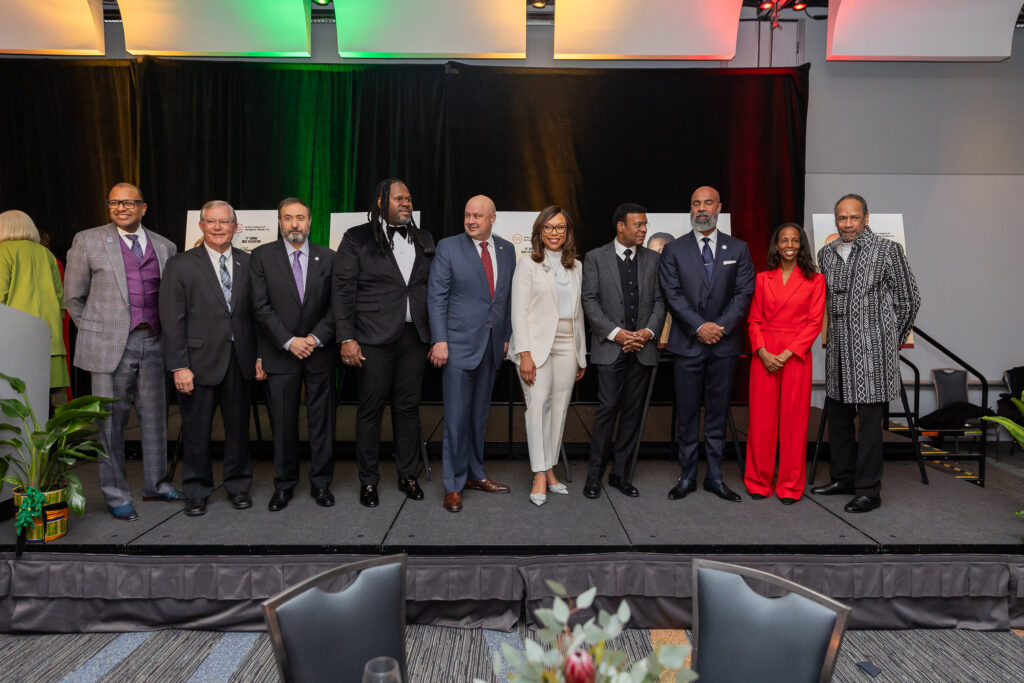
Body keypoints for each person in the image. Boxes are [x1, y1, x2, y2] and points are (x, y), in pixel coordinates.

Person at [65, 183, 183, 521]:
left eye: (129, 203)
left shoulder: (165, 246)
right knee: (109, 424)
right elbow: (73, 296)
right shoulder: (87, 240)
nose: (122, 208)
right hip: (108, 345)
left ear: (143, 208)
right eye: (115, 202)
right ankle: (116, 494)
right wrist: (98, 330)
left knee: (155, 418)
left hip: (154, 341)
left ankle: (156, 484)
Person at [812, 194, 920, 513]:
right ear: (836, 221)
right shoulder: (826, 254)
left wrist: (888, 340)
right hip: (838, 354)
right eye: (842, 218)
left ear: (866, 218)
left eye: (853, 218)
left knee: (871, 426)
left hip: (874, 356)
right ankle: (842, 478)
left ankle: (869, 489)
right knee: (839, 419)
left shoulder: (888, 251)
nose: (847, 224)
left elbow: (909, 299)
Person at [159, 201, 262, 517]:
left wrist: (258, 357)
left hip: (240, 360)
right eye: (211, 222)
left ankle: (238, 486)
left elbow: (258, 316)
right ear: (202, 225)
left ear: (235, 227)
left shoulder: (250, 263)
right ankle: (197, 490)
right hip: (197, 363)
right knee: (196, 430)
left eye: (225, 222)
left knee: (238, 430)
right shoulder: (180, 265)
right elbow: (172, 319)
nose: (218, 227)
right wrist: (179, 365)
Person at [334, 178, 433, 507]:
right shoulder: (356, 238)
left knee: (407, 409)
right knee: (371, 411)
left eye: (409, 198)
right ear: (380, 201)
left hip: (413, 338)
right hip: (372, 338)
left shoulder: (424, 237)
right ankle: (368, 481)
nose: (406, 203)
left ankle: (407, 475)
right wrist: (346, 337)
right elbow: (343, 290)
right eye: (398, 198)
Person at [658, 186, 754, 503]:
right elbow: (673, 295)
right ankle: (687, 476)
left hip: (724, 347)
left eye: (708, 203)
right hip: (687, 344)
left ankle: (714, 476)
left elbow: (743, 295)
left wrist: (720, 328)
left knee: (717, 414)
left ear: (719, 208)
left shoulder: (738, 249)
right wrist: (699, 327)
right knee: (686, 414)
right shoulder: (674, 250)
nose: (702, 208)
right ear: (690, 209)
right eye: (696, 203)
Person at [427, 195, 514, 512]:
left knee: (478, 417)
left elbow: (505, 299)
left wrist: (505, 336)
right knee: (456, 420)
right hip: (458, 347)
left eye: (478, 215)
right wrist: (439, 339)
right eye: (467, 215)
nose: (471, 220)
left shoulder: (507, 249)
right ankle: (453, 485)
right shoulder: (449, 247)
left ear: (493, 217)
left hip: (491, 347)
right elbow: (436, 296)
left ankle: (476, 474)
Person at [250, 198, 338, 511]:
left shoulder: (328, 258)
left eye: (300, 218)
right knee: (284, 425)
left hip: (318, 352)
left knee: (322, 422)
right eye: (288, 218)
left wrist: (314, 338)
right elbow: (259, 307)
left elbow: (336, 307)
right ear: (279, 222)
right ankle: (284, 485)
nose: (294, 224)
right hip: (281, 353)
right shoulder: (261, 256)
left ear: (311, 222)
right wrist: (289, 340)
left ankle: (321, 484)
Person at [580, 203, 665, 499]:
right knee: (606, 411)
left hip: (642, 348)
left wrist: (646, 333)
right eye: (638, 225)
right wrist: (617, 335)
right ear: (620, 226)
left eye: (645, 224)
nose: (643, 230)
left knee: (632, 413)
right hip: (609, 349)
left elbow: (659, 301)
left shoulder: (653, 259)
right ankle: (594, 477)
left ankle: (620, 475)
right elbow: (589, 301)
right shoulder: (594, 258)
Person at [509, 206, 587, 507]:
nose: (555, 233)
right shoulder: (528, 263)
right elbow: (519, 311)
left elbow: (578, 312)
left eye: (560, 227)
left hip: (569, 343)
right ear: (539, 231)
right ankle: (539, 474)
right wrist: (524, 354)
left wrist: (581, 355)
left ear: (567, 232)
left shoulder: (576, 266)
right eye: (549, 227)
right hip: (537, 346)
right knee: (537, 407)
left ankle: (551, 468)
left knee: (559, 408)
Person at [744, 223, 825, 505]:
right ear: (776, 246)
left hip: (796, 355)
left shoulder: (816, 280)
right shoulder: (762, 279)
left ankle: (790, 485)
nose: (789, 245)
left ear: (801, 245)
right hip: (764, 352)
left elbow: (815, 324)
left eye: (795, 240)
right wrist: (763, 351)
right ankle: (757, 480)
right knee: (761, 421)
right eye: (783, 240)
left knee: (795, 421)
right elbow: (753, 320)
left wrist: (788, 353)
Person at [0, 211, 69, 396]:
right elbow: (61, 298)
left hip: (14, 338)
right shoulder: (46, 254)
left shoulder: (2, 252)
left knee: (19, 400)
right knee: (49, 400)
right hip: (50, 337)